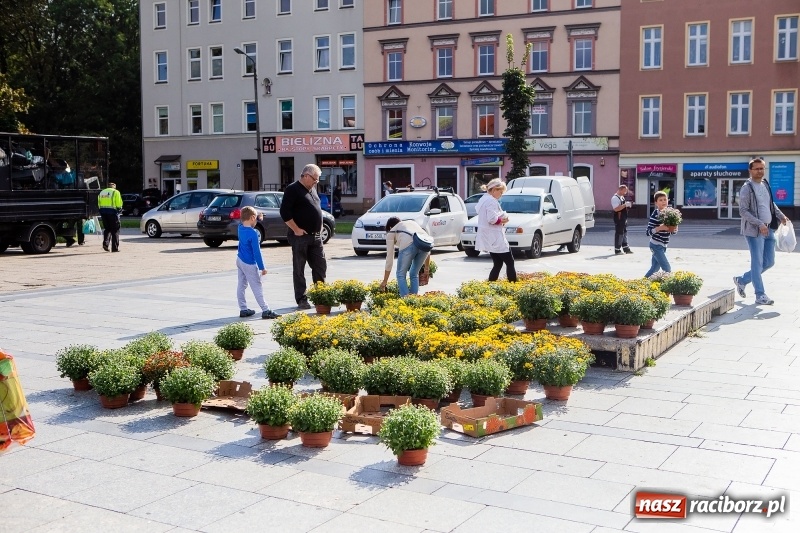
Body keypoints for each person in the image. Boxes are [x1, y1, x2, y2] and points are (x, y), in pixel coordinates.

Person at [733, 158, 787, 305]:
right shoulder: (747, 188)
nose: (760, 171)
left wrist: (781, 216)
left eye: (762, 168)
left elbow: (770, 204)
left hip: (769, 228)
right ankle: (760, 295)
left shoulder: (764, 184)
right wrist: (759, 224)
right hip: (754, 231)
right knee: (757, 263)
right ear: (750, 171)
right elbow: (743, 211)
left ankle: (742, 280)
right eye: (756, 169)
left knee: (769, 262)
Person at [280, 163, 327, 310]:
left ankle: (321, 297)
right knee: (299, 268)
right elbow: (285, 213)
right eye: (315, 179)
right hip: (300, 237)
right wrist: (296, 229)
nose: (316, 182)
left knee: (320, 267)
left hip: (316, 236)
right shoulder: (292, 190)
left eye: (317, 180)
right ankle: (301, 299)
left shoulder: (312, 189)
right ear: (306, 175)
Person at [236, 206, 281, 319]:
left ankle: (243, 309)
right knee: (257, 286)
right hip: (249, 263)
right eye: (255, 219)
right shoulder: (253, 234)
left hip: (239, 260)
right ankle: (266, 310)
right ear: (252, 218)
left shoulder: (240, 227)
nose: (256, 221)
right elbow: (257, 253)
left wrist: (258, 218)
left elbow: (247, 221)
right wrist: (262, 268)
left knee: (241, 285)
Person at [475, 178, 517, 282]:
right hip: (495, 236)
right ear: (494, 190)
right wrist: (503, 220)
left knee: (498, 263)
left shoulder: (484, 199)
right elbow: (492, 219)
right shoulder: (491, 201)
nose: (501, 194)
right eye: (500, 192)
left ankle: (491, 285)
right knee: (510, 262)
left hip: (488, 236)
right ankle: (514, 285)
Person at [379, 217, 431, 297]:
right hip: (425, 244)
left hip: (408, 246)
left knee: (400, 274)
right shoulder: (411, 223)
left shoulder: (391, 231)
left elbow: (389, 259)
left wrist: (385, 281)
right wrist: (426, 269)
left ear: (390, 227)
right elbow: (427, 246)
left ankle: (406, 300)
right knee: (414, 273)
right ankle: (413, 300)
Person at [644, 191, 676, 278]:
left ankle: (642, 283)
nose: (663, 202)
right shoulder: (655, 215)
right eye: (660, 200)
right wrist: (659, 228)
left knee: (654, 269)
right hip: (656, 245)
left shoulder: (670, 213)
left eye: (665, 199)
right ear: (656, 203)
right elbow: (648, 232)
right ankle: (668, 287)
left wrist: (675, 228)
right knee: (667, 268)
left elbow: (673, 232)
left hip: (663, 245)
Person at [98, 182, 123, 252]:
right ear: (114, 187)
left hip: (103, 213)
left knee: (107, 229)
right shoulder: (116, 192)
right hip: (113, 213)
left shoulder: (102, 192)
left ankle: (105, 244)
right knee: (115, 230)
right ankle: (114, 248)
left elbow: (98, 203)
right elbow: (118, 204)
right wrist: (120, 209)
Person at [612, 184, 633, 255]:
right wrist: (625, 205)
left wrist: (628, 206)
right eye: (624, 191)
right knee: (619, 233)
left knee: (624, 232)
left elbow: (623, 207)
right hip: (619, 218)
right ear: (620, 190)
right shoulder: (615, 198)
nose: (625, 193)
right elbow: (616, 209)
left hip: (623, 218)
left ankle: (626, 248)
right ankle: (617, 249)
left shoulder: (622, 197)